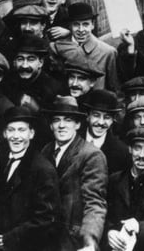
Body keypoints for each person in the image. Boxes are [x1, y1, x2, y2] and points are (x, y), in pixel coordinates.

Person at [41, 95, 108, 251]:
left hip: (72, 242)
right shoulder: (46, 151)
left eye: (68, 120)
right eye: (56, 120)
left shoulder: (91, 155)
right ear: (51, 125)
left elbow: (95, 203)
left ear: (77, 124)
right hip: (45, 240)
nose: (61, 125)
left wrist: (89, 241)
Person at [0, 106, 60, 251]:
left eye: (22, 130)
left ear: (31, 133)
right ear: (4, 133)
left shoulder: (43, 169)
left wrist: (11, 239)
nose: (16, 136)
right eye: (11, 130)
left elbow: (46, 218)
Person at [51, 2, 120, 93]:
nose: (81, 30)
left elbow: (114, 89)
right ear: (70, 25)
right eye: (76, 24)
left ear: (92, 25)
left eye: (85, 24)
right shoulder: (57, 47)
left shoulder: (107, 52)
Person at [82, 89, 128, 174]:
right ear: (88, 116)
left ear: (112, 120)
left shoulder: (121, 152)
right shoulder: (73, 140)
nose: (101, 122)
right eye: (96, 115)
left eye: (107, 117)